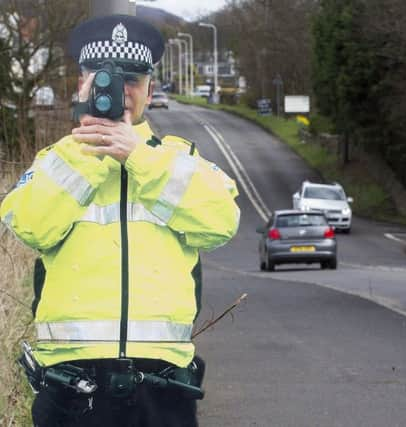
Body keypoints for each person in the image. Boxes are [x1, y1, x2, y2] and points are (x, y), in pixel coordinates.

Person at [0, 14, 240, 427]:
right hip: (71, 388)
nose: (120, 90)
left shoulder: (180, 160)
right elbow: (29, 225)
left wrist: (139, 156)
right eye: (105, 77)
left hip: (162, 389)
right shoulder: (55, 160)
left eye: (132, 78)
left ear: (149, 88)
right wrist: (93, 153)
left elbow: (222, 222)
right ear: (82, 83)